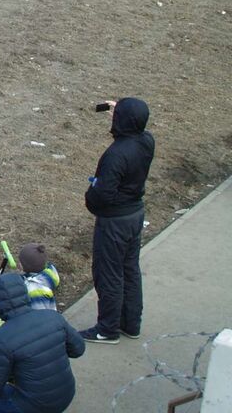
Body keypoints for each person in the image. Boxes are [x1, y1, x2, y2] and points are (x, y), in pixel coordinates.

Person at [81, 97, 154, 344]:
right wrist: (121, 110)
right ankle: (130, 323)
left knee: (109, 274)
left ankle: (107, 329)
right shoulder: (146, 141)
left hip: (114, 222)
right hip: (135, 214)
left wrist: (89, 195)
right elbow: (135, 127)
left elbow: (102, 196)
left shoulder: (115, 155)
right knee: (129, 270)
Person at [0, 273, 85, 413]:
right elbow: (79, 349)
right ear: (25, 293)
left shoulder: (1, 337)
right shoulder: (53, 317)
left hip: (37, 406)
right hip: (66, 394)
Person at [18, 242, 61, 312]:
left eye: (20, 262)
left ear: (27, 267)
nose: (18, 263)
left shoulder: (34, 290)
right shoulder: (49, 274)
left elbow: (41, 315)